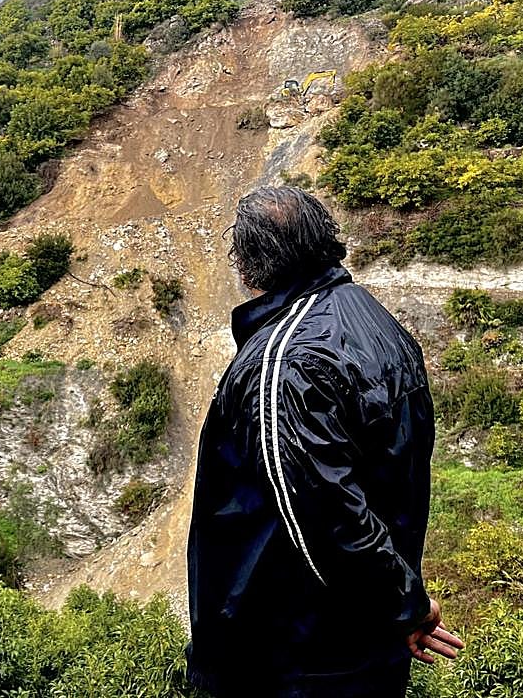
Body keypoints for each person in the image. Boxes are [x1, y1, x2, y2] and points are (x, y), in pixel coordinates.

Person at [185, 186, 463, 698]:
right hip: (368, 645)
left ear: (249, 268)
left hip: (297, 655)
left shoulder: (285, 360)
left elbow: (320, 512)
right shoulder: (378, 324)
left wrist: (408, 604)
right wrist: (397, 605)